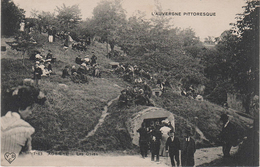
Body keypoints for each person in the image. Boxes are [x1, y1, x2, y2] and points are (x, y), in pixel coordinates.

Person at [1, 85, 46, 159]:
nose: (31, 113)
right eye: (29, 109)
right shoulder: (26, 129)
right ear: (20, 109)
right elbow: (26, 157)